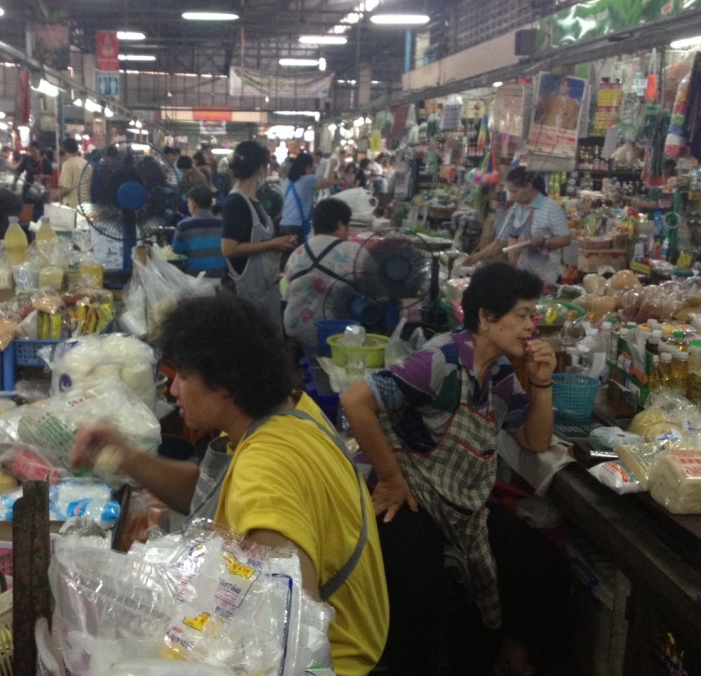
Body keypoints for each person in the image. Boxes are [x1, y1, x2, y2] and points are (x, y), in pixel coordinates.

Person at [69, 293, 389, 676]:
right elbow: (210, 491)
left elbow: (293, 635)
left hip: (338, 661)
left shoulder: (265, 469)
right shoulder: (294, 412)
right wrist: (128, 455)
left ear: (224, 383)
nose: (173, 392)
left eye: (183, 377)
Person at [340, 262, 570, 675]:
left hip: (459, 505)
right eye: (522, 315)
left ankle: (504, 651)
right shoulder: (440, 361)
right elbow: (356, 401)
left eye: (532, 315)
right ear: (486, 317)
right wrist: (391, 478)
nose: (530, 326)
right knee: (418, 586)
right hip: (407, 494)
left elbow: (535, 440)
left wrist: (542, 382)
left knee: (537, 558)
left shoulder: (499, 374)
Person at [221, 140, 297, 325]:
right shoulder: (237, 202)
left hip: (260, 286)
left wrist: (278, 242)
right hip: (243, 290)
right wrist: (272, 244)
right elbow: (229, 249)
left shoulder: (251, 200)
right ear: (260, 169)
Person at [465, 166, 571, 285]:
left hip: (544, 276)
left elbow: (565, 239)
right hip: (520, 273)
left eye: (515, 191)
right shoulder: (514, 209)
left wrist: (543, 242)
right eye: (510, 192)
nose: (512, 196)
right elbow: (500, 243)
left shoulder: (551, 208)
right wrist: (476, 257)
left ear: (529, 187)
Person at [282, 198, 365, 351]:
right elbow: (372, 289)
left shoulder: (297, 252)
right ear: (340, 225)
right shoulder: (355, 252)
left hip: (295, 329)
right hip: (335, 333)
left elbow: (287, 296)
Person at [278, 152, 337, 252]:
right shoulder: (307, 180)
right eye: (312, 167)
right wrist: (332, 164)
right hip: (296, 227)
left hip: (283, 225)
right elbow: (329, 182)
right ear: (307, 167)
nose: (313, 170)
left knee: (287, 259)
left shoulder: (289, 181)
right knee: (299, 259)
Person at [171, 185, 224, 281]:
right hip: (221, 277)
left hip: (195, 279)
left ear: (193, 203)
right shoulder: (222, 223)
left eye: (188, 202)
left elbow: (177, 253)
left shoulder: (184, 226)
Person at [13, 140, 52, 219]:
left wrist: (43, 176)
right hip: (27, 189)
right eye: (30, 150)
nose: (32, 152)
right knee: (27, 211)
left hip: (40, 191)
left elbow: (51, 176)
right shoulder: (27, 159)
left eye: (34, 150)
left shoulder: (46, 162)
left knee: (39, 212)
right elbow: (18, 171)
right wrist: (14, 183)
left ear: (40, 150)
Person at [56, 137, 86, 209]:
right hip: (85, 204)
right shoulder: (86, 163)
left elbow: (66, 189)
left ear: (64, 150)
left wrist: (54, 196)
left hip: (72, 205)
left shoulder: (67, 164)